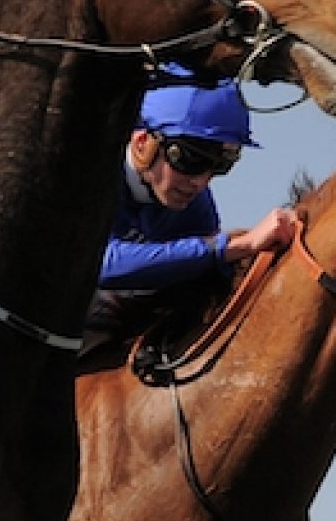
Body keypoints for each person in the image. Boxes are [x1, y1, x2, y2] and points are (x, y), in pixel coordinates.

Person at [86, 77, 300, 343]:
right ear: (142, 144)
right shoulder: (89, 171)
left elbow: (204, 272)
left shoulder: (193, 203)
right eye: (190, 159)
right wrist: (232, 246)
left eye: (219, 166)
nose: (200, 181)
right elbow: (93, 263)